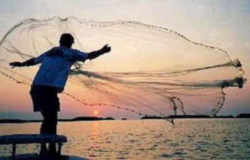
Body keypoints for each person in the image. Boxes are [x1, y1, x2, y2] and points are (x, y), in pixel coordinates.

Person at [9, 33, 111, 156]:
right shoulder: (71, 53)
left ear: (60, 41)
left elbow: (34, 61)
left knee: (48, 119)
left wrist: (20, 64)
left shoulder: (52, 51)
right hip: (47, 89)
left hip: (36, 88)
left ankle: (46, 149)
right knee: (51, 119)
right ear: (70, 43)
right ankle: (49, 150)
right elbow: (89, 55)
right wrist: (102, 51)